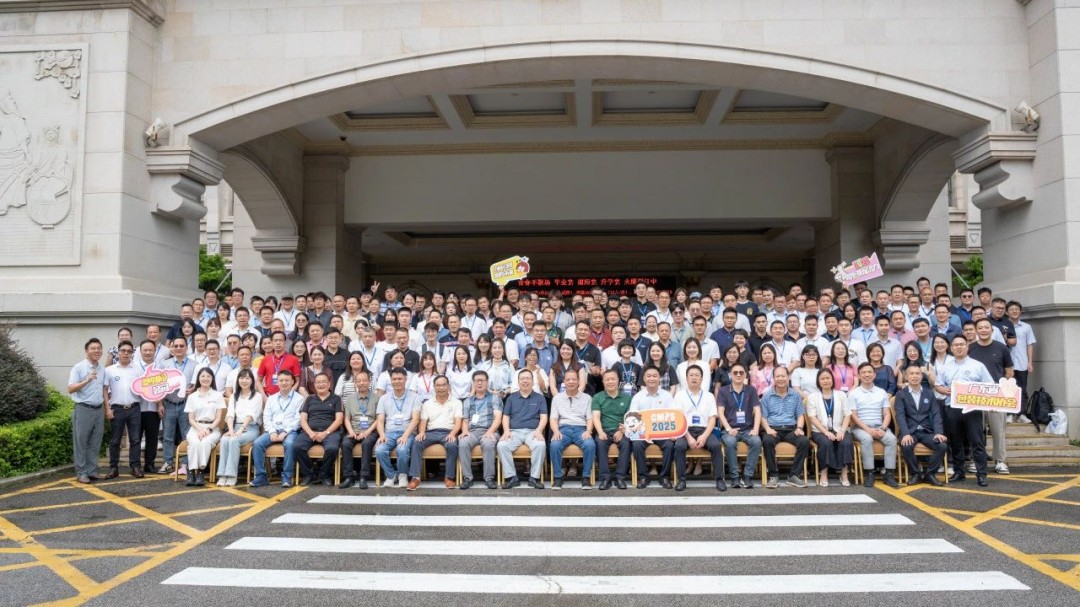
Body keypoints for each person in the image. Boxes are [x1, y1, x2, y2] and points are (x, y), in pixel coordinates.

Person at [967, 318, 1014, 475]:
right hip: (976, 396)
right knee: (976, 431)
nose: (983, 330)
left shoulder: (1001, 348)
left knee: (998, 430)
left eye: (986, 327)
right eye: (980, 328)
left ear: (992, 330)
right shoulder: (970, 348)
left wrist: (1003, 389)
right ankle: (977, 460)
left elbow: (1009, 371)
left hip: (996, 396)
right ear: (976, 330)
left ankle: (1000, 461)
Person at [672, 366, 725, 491]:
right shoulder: (679, 395)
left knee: (716, 446)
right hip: (685, 430)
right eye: (691, 375)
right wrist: (689, 437)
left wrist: (704, 436)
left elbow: (712, 419)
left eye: (697, 375)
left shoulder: (709, 396)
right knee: (679, 446)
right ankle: (681, 480)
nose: (694, 378)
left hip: (704, 430)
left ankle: (719, 479)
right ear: (686, 378)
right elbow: (678, 419)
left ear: (701, 378)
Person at [250, 370, 305, 488]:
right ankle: (261, 476)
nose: (284, 383)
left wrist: (285, 432)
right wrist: (272, 431)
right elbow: (266, 417)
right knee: (257, 443)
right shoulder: (271, 399)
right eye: (281, 380)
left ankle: (286, 477)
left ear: (292, 382)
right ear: (277, 382)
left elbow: (298, 419)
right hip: (273, 430)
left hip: (291, 431)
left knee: (290, 444)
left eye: (287, 380)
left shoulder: (299, 399)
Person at [407, 375, 463, 490]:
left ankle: (449, 477)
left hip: (448, 432)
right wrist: (421, 432)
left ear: (448, 386)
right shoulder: (427, 403)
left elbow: (458, 422)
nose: (441, 388)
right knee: (417, 442)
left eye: (443, 385)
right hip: (430, 432)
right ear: (434, 387)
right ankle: (415, 478)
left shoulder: (456, 402)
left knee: (452, 445)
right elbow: (423, 421)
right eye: (438, 385)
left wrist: (453, 434)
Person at [849, 363, 900, 488]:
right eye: (863, 372)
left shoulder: (881, 392)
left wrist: (883, 428)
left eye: (869, 372)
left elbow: (887, 414)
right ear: (859, 376)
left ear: (874, 375)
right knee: (867, 438)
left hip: (879, 426)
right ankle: (869, 473)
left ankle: (889, 474)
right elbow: (853, 416)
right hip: (860, 428)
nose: (867, 375)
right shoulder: (853, 393)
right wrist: (867, 429)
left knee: (892, 439)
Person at [895, 364, 947, 486]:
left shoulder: (929, 393)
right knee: (906, 445)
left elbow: (936, 414)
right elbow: (900, 416)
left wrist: (938, 432)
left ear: (921, 376)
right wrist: (905, 433)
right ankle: (916, 474)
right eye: (911, 374)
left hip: (926, 431)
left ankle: (930, 474)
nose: (915, 376)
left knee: (942, 445)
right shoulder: (901, 394)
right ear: (906, 377)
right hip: (910, 431)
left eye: (917, 373)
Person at [759, 366, 810, 488]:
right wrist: (768, 429)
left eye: (783, 376)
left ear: (788, 377)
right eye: (778, 376)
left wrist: (799, 428)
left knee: (804, 441)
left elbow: (800, 415)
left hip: (790, 429)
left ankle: (794, 475)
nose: (781, 378)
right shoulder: (767, 396)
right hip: (773, 428)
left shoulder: (795, 395)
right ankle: (773, 475)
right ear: (773, 378)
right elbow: (763, 417)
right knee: (767, 441)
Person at [497, 369, 548, 490]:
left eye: (528, 378)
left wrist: (539, 430)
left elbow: (544, 417)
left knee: (540, 445)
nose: (525, 381)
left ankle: (534, 478)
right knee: (502, 445)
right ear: (518, 381)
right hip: (514, 432)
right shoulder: (511, 398)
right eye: (522, 379)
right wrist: (506, 431)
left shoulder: (540, 398)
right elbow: (506, 417)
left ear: (533, 381)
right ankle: (512, 478)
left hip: (533, 432)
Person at [293, 371, 344, 486]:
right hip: (310, 432)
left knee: (332, 449)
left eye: (323, 382)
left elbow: (339, 419)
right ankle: (309, 474)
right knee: (297, 447)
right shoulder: (309, 399)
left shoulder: (336, 399)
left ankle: (324, 474)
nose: (321, 385)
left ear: (329, 384)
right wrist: (310, 433)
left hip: (330, 432)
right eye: (318, 382)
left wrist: (326, 433)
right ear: (314, 385)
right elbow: (303, 419)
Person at [716, 362, 762, 489]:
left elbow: (757, 411)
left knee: (756, 441)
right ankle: (734, 477)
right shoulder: (723, 391)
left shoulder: (751, 390)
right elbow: (720, 412)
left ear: (745, 375)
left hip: (747, 429)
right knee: (730, 442)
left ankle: (747, 476)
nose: (738, 375)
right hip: (730, 429)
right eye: (735, 372)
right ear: (730, 375)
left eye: (741, 372)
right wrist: (728, 429)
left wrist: (756, 429)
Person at [374, 367, 421, 488]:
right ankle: (391, 475)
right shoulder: (384, 398)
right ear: (390, 380)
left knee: (402, 449)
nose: (397, 381)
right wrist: (382, 435)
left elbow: (415, 419)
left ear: (406, 379)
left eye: (400, 379)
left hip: (407, 432)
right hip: (389, 432)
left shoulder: (415, 397)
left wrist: (405, 436)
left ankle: (402, 475)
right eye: (394, 379)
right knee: (379, 450)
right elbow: (380, 420)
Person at [103, 340, 144, 478]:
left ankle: (135, 467)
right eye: (123, 351)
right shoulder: (109, 370)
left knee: (135, 439)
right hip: (117, 409)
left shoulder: (138, 369)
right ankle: (113, 468)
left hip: (134, 408)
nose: (126, 353)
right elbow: (104, 390)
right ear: (118, 353)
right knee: (115, 440)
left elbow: (144, 387)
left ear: (132, 353)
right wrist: (107, 408)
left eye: (129, 351)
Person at [630, 367, 676, 489]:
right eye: (649, 376)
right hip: (644, 432)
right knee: (636, 445)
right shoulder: (638, 397)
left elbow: (673, 416)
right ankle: (644, 476)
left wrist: (673, 433)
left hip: (662, 433)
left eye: (655, 376)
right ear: (644, 379)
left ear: (659, 378)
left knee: (670, 445)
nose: (652, 379)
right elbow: (633, 417)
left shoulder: (667, 396)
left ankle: (664, 477)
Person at [215, 369, 263, 486]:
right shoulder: (234, 396)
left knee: (234, 440)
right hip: (235, 427)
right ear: (238, 380)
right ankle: (222, 475)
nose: (244, 381)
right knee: (225, 439)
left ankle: (231, 475)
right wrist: (231, 430)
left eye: (247, 378)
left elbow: (251, 415)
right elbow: (230, 414)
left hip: (251, 428)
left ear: (252, 381)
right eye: (241, 378)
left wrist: (241, 430)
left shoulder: (257, 396)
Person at [548, 371, 596, 490]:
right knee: (554, 445)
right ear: (564, 382)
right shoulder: (557, 398)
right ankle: (558, 477)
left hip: (581, 429)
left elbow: (590, 418)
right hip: (563, 429)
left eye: (574, 379)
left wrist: (588, 431)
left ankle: (586, 477)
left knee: (590, 444)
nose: (571, 382)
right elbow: (553, 418)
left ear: (578, 381)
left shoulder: (587, 398)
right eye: (568, 379)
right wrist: (556, 431)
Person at [68, 338, 106, 484]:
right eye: (93, 348)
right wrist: (87, 380)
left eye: (99, 348)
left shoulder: (102, 369)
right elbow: (70, 388)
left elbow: (103, 390)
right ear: (86, 351)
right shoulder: (78, 368)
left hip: (98, 410)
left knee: (95, 442)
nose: (97, 351)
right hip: (83, 409)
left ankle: (92, 470)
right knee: (81, 442)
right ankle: (82, 472)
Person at [806, 368, 853, 487]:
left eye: (828, 378)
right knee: (826, 443)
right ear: (818, 381)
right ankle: (823, 474)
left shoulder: (841, 395)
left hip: (839, 428)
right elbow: (812, 417)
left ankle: (844, 474)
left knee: (846, 442)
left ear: (832, 380)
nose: (825, 381)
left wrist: (842, 431)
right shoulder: (813, 397)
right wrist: (826, 432)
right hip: (820, 431)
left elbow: (847, 415)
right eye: (822, 379)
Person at [458, 370, 503, 490]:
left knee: (488, 443)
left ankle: (489, 478)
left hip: (490, 430)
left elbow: (498, 418)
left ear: (487, 382)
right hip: (472, 431)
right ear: (473, 383)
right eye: (477, 381)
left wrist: (490, 432)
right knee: (463, 443)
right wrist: (465, 431)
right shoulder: (468, 401)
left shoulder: (495, 398)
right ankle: (468, 478)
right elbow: (465, 419)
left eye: (482, 380)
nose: (479, 383)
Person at [159, 337, 197, 476]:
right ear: (172, 348)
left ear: (186, 348)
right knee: (167, 436)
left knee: (186, 435)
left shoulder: (195, 364)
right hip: (168, 404)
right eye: (176, 346)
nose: (179, 348)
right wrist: (159, 404)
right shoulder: (164, 364)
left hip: (186, 405)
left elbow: (197, 384)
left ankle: (185, 464)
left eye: (182, 346)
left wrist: (193, 390)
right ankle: (168, 463)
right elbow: (159, 386)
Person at [183, 368, 226, 487]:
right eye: (203, 376)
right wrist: (200, 430)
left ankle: (201, 472)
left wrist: (208, 430)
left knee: (205, 442)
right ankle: (191, 472)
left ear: (212, 379)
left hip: (212, 428)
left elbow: (218, 418)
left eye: (208, 376)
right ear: (198, 378)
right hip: (195, 428)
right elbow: (191, 419)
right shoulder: (192, 396)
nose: (205, 379)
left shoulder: (218, 395)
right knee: (195, 442)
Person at [337, 366, 378, 489]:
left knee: (367, 443)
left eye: (364, 380)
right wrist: (350, 432)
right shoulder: (350, 399)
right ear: (355, 383)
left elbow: (379, 420)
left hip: (371, 431)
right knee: (345, 443)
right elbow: (347, 419)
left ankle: (363, 476)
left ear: (369, 382)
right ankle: (349, 477)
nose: (361, 383)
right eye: (358, 381)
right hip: (354, 430)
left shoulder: (377, 398)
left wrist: (367, 432)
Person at [592, 369, 632, 490]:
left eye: (613, 379)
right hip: (604, 430)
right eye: (607, 379)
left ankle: (620, 477)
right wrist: (600, 432)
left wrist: (621, 431)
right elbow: (596, 417)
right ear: (603, 382)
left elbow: (630, 418)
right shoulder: (597, 397)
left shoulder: (627, 398)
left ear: (618, 381)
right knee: (600, 443)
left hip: (620, 430)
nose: (610, 382)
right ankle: (605, 478)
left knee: (626, 443)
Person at [257, 331, 301, 396]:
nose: (278, 343)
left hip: (288, 396)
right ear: (272, 342)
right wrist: (264, 397)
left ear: (285, 342)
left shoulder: (293, 359)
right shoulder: (266, 359)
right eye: (275, 340)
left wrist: (289, 394)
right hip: (269, 396)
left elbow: (298, 381)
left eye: (280, 340)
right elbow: (258, 381)